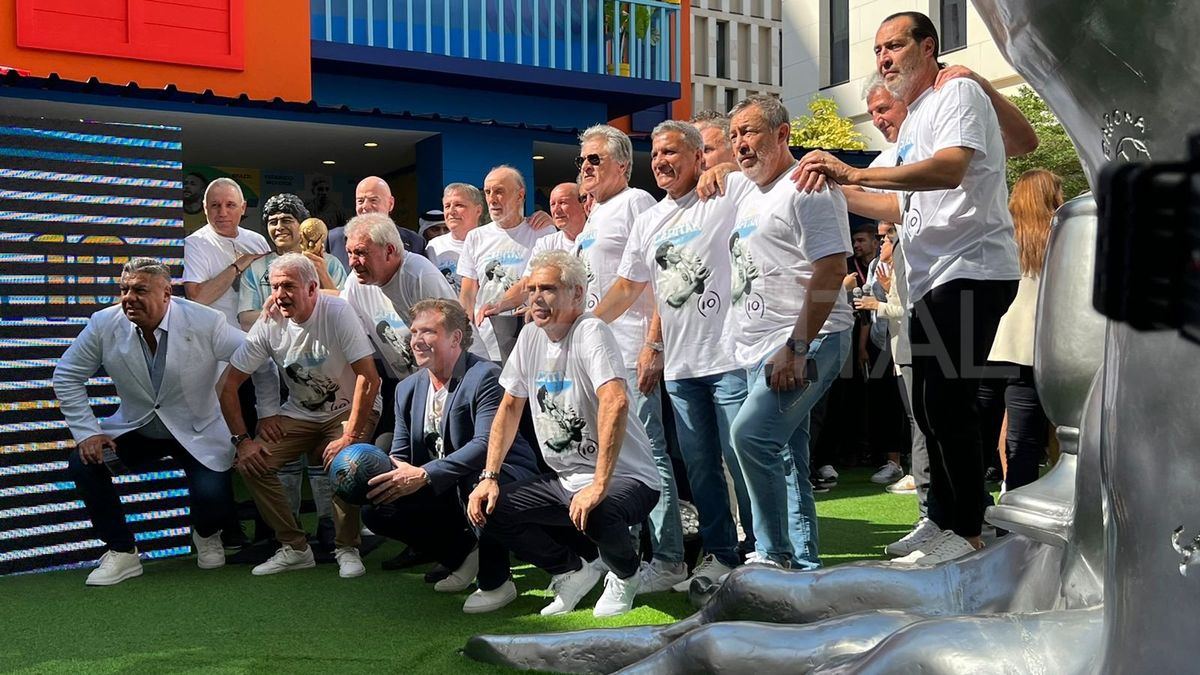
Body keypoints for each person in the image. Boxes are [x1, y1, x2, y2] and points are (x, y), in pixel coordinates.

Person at [795, 11, 1024, 563]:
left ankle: (968, 529)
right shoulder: (920, 112)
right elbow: (896, 203)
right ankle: (943, 518)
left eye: (893, 46)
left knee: (948, 401)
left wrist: (853, 174)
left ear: (929, 47)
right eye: (877, 50)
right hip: (931, 278)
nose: (883, 59)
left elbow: (948, 171)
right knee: (928, 404)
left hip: (971, 268)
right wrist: (837, 183)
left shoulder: (957, 93)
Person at [594, 120, 758, 591]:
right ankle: (721, 555)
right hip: (682, 369)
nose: (662, 162)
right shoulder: (649, 222)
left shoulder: (723, 196)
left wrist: (724, 166)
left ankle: (761, 554)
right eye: (656, 155)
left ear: (696, 155)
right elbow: (629, 287)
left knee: (740, 459)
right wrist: (583, 327)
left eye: (672, 152)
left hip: (728, 358)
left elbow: (759, 173)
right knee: (702, 469)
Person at [53, 258, 280, 585]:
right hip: (137, 429)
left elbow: (259, 361)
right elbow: (66, 375)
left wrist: (269, 411)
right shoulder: (103, 323)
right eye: (124, 290)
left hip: (199, 430)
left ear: (166, 294)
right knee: (83, 463)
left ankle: (205, 532)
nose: (129, 298)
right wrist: (87, 432)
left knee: (213, 500)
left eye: (140, 290)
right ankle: (122, 551)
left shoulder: (206, 321)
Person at [467, 250, 662, 617]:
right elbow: (509, 408)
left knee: (600, 510)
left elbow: (615, 401)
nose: (536, 297)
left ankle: (625, 574)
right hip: (565, 480)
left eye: (549, 289)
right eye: (532, 289)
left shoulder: (591, 330)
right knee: (487, 508)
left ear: (577, 295)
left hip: (629, 478)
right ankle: (571, 571)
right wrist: (489, 476)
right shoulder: (529, 337)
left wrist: (599, 485)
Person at [726, 94, 854, 570]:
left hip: (807, 341)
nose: (741, 144)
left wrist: (797, 347)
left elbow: (831, 270)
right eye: (735, 134)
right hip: (762, 348)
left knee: (751, 438)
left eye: (751, 132)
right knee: (785, 457)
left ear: (783, 135)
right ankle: (802, 568)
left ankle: (773, 554)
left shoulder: (808, 188)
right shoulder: (751, 194)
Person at [361, 299, 540, 613]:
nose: (416, 339)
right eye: (414, 331)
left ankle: (497, 581)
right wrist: (386, 474)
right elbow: (401, 454)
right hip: (446, 481)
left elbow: (485, 444)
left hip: (501, 475)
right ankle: (462, 556)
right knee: (378, 505)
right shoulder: (406, 388)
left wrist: (425, 475)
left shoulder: (485, 375)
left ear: (455, 338)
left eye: (428, 331)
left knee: (476, 481)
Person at [218, 253, 382, 578]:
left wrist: (349, 435)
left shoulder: (337, 312)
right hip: (300, 414)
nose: (280, 294)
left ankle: (346, 547)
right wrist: (243, 441)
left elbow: (370, 378)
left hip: (352, 409)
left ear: (312, 288)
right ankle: (294, 547)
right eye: (275, 286)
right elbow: (227, 385)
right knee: (252, 463)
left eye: (288, 286)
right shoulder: (269, 322)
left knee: (347, 462)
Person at [571, 124, 684, 588]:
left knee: (651, 455)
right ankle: (628, 557)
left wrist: (651, 345)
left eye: (595, 159)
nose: (586, 168)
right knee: (617, 459)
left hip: (630, 350)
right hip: (603, 358)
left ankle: (671, 555)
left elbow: (657, 279)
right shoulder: (596, 214)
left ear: (622, 164)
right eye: (582, 161)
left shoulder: (637, 202)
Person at [977, 169, 1060, 492]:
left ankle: (967, 517)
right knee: (1024, 442)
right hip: (1029, 351)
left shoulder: (996, 231)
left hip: (986, 344)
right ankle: (1015, 524)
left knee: (977, 437)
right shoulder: (1059, 236)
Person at [340, 212, 460, 379]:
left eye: (361, 253)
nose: (352, 262)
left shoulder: (419, 276)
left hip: (454, 377)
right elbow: (342, 325)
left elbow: (451, 344)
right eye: (349, 252)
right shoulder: (355, 283)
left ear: (389, 250)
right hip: (408, 382)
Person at [458, 166, 552, 361]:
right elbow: (467, 292)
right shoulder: (475, 237)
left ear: (520, 195)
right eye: (487, 192)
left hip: (532, 339)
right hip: (485, 344)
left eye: (499, 191)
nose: (492, 199)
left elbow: (532, 283)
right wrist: (465, 334)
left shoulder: (542, 232)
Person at [478, 181, 589, 318]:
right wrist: (499, 304)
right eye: (552, 204)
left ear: (583, 204)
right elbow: (527, 284)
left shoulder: (599, 236)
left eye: (563, 203)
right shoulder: (547, 243)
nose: (556, 210)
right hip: (563, 328)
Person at [237, 194, 346, 331]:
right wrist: (294, 310)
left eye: (286, 220)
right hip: (273, 348)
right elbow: (246, 321)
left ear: (303, 226)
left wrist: (322, 273)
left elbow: (343, 310)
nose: (279, 227)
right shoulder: (255, 268)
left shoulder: (329, 263)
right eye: (273, 222)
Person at [182, 177, 271, 329]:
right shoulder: (195, 243)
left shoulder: (257, 241)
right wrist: (238, 265)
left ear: (243, 208)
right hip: (217, 339)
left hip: (259, 337)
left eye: (230, 205)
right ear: (205, 208)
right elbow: (197, 298)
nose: (222, 212)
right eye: (215, 205)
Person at [328, 176, 426, 270]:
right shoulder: (333, 239)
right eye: (360, 201)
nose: (365, 206)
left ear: (390, 204)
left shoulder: (415, 242)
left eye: (373, 200)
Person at [426, 183, 486, 295]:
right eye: (447, 206)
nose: (451, 212)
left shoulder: (491, 241)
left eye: (459, 205)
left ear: (478, 210)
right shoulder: (433, 247)